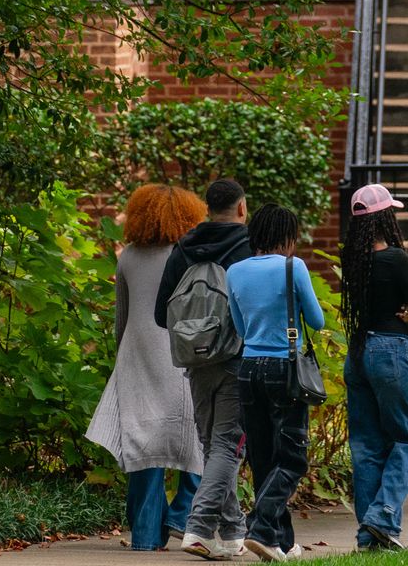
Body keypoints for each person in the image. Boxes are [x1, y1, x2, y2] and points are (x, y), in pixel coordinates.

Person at [87, 184, 207, 550]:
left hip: (137, 355)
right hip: (182, 355)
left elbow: (121, 319)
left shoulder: (129, 257)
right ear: (189, 216)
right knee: (198, 441)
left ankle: (145, 538)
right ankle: (180, 514)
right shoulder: (189, 255)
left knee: (143, 448)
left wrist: (121, 356)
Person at [155, 177, 252, 560]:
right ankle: (197, 527)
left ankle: (231, 532)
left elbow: (163, 312)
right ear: (242, 208)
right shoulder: (248, 249)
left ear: (205, 208)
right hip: (235, 358)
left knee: (214, 446)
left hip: (195, 362)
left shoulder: (183, 248)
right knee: (228, 445)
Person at [226, 205, 323, 562]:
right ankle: (261, 528)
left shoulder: (234, 271)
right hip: (284, 368)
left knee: (264, 458)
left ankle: (282, 544)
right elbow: (316, 318)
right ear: (287, 237)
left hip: (248, 368)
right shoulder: (292, 267)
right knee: (293, 458)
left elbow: (239, 326)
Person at [339, 184, 408, 552]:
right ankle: (383, 516)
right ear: (385, 217)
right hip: (390, 350)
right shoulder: (395, 258)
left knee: (366, 446)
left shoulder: (353, 258)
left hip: (357, 353)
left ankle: (368, 537)